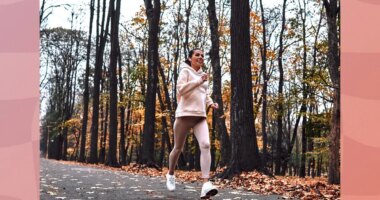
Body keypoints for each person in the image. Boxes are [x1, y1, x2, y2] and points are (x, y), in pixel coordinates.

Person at [166, 49, 219, 199]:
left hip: (200, 117)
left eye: (202, 55)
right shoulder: (185, 71)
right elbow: (181, 90)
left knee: (206, 145)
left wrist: (211, 103)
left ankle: (206, 184)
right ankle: (170, 174)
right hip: (184, 115)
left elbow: (204, 93)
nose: (200, 57)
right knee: (177, 148)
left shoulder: (204, 75)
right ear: (190, 58)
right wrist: (198, 80)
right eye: (197, 55)